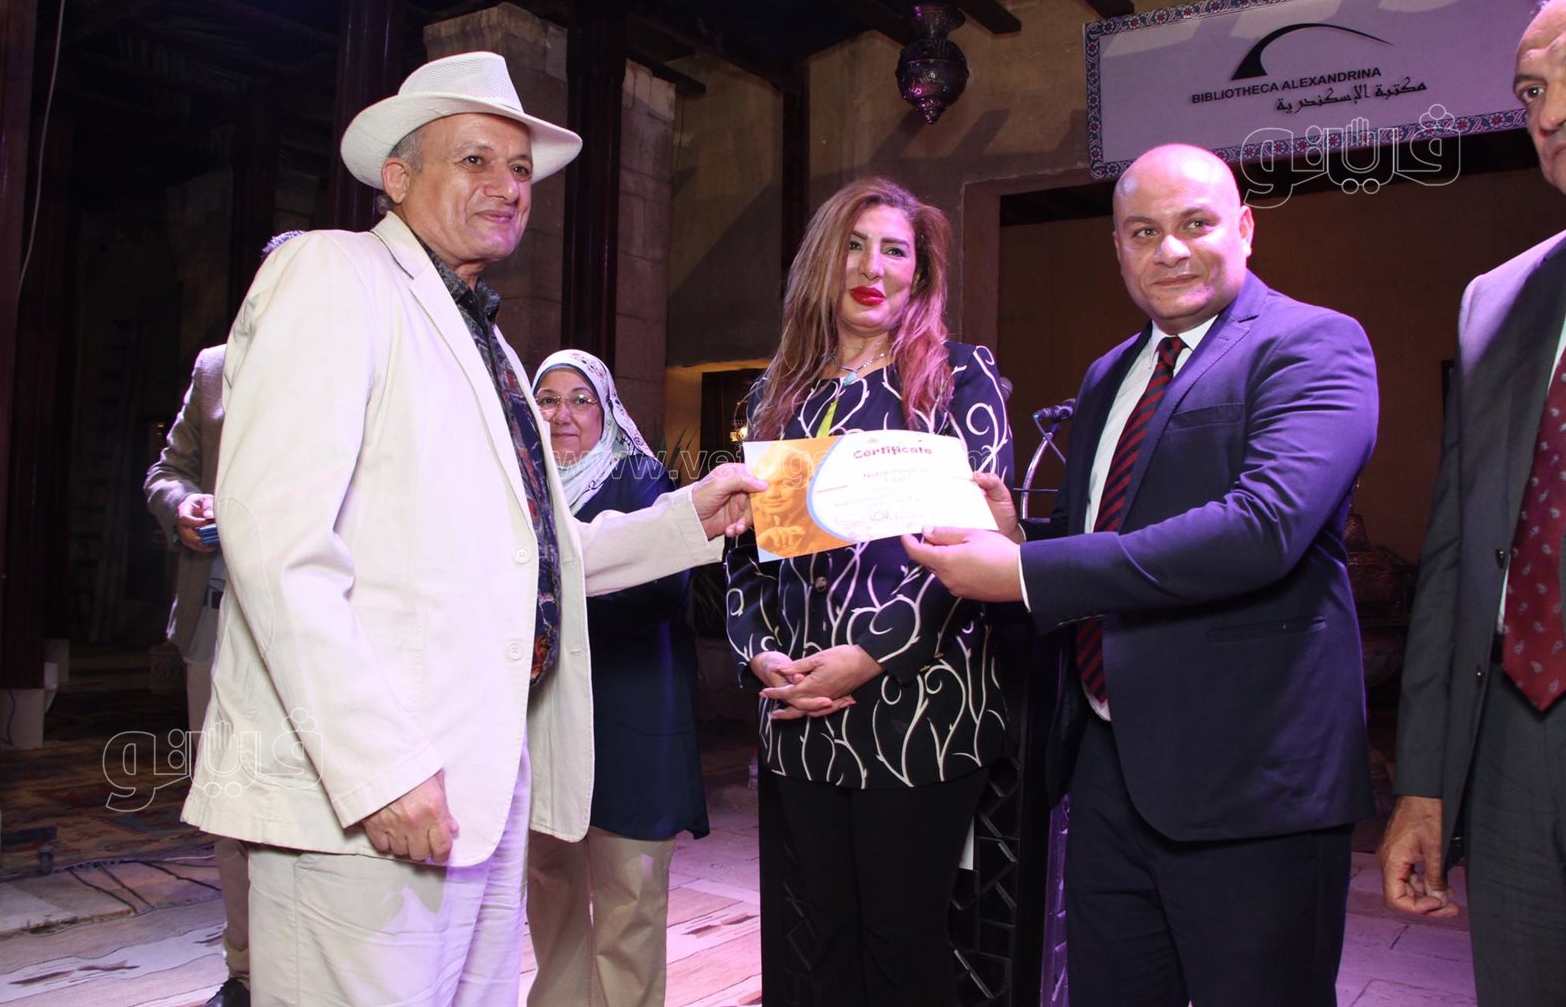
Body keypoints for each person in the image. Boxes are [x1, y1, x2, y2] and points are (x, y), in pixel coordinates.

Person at [178, 51, 762, 1007]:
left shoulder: (490, 344)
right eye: (476, 160)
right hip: (372, 795)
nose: (508, 186)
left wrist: (685, 518)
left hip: (482, 788)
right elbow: (276, 544)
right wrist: (378, 769)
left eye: (521, 168)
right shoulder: (334, 273)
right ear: (398, 177)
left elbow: (537, 558)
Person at [905, 143, 1379, 1007]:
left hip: (1253, 778)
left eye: (1196, 223)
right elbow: (1104, 536)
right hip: (1109, 767)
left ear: (1244, 229)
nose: (1171, 250)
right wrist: (1022, 534)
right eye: (1144, 231)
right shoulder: (1108, 375)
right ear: (1118, 248)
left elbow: (1263, 528)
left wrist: (1026, 571)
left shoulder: (1313, 343)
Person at [725, 176, 1013, 1006]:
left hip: (918, 710)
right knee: (825, 942)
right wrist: (759, 656)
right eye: (853, 246)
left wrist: (870, 655)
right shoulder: (778, 394)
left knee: (902, 947)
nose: (872, 267)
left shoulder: (955, 378)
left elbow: (974, 550)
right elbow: (745, 557)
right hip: (800, 712)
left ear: (920, 272)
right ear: (824, 260)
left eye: (894, 250)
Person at [1377, 0, 1566, 1006]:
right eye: (1530, 92)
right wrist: (1425, 780)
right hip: (1513, 750)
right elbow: (1454, 562)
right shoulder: (1496, 302)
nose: (1549, 112)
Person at [524, 349, 706, 1007]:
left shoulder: (640, 479)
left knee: (629, 896)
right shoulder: (523, 488)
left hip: (628, 719)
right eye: (548, 399)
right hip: (548, 720)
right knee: (552, 887)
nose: (563, 414)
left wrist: (546, 607)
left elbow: (660, 591)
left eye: (581, 400)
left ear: (606, 411)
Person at [145, 344, 247, 1007]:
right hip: (216, 615)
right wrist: (183, 506)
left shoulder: (352, 354)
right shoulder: (216, 367)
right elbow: (168, 471)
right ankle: (246, 971)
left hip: (319, 619)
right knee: (229, 802)